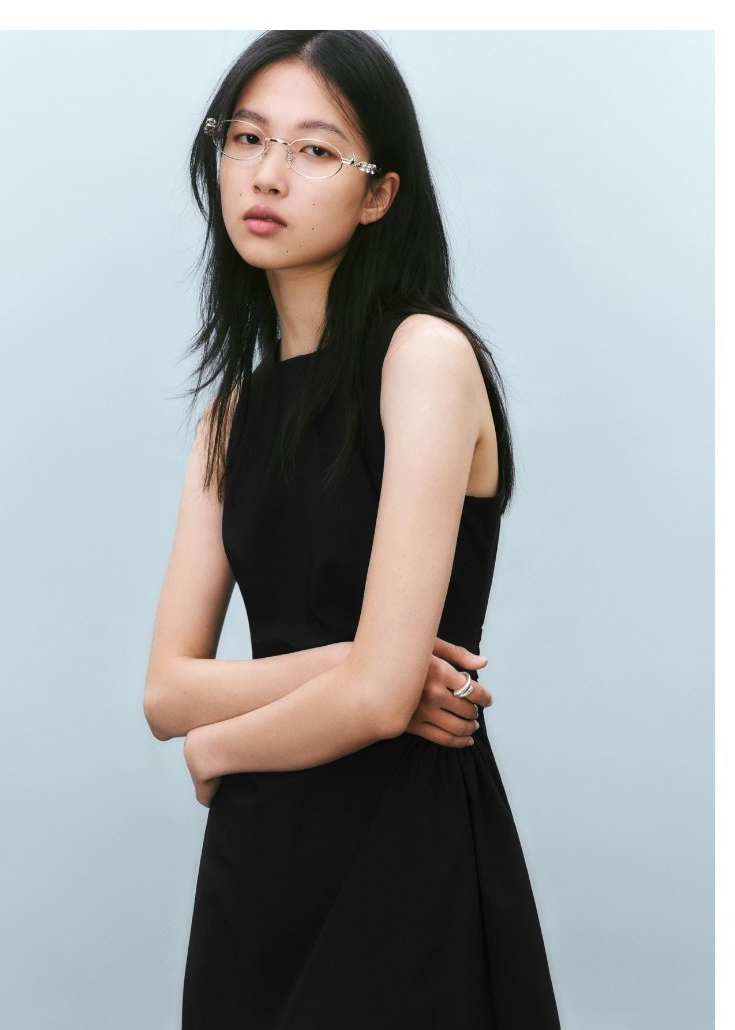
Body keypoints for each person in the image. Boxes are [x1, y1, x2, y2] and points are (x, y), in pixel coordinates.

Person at [144, 29, 560, 1029]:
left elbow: (376, 704)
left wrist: (217, 749)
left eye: (315, 149)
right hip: (256, 874)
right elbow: (166, 692)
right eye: (247, 138)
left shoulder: (424, 356)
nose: (268, 173)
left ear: (379, 195)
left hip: (401, 850)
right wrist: (364, 661)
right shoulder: (232, 416)